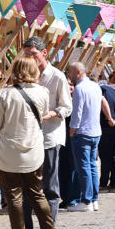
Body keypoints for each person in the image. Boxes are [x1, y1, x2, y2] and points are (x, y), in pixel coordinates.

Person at [0, 54, 61, 229]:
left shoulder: (5, 94)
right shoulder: (43, 92)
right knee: (37, 193)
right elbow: (42, 115)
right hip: (33, 149)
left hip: (9, 152)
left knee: (14, 195)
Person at [24, 38, 72, 214]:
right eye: (26, 55)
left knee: (50, 184)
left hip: (50, 136)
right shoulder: (25, 76)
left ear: (44, 53)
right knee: (30, 183)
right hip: (29, 137)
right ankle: (28, 225)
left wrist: (52, 113)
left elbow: (67, 106)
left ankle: (50, 225)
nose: (30, 58)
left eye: (33, 54)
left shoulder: (57, 76)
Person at [64, 61, 104, 212]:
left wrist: (72, 129)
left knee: (84, 167)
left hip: (83, 132)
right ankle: (94, 199)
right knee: (92, 166)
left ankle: (86, 200)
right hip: (95, 131)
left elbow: (77, 112)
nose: (69, 75)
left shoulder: (80, 89)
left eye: (70, 72)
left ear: (78, 72)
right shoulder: (95, 86)